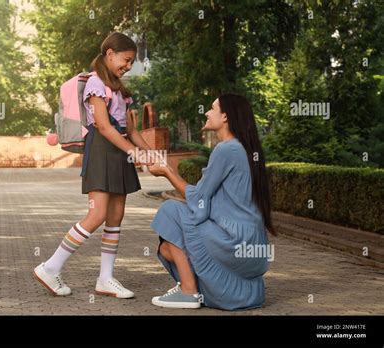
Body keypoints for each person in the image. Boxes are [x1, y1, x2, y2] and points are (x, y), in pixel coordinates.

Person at [33, 32, 153, 298]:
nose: (128, 66)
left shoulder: (120, 90)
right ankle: (50, 267)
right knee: (96, 215)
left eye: (132, 62)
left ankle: (105, 278)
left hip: (120, 153)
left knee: (115, 216)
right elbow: (103, 126)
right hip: (101, 151)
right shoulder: (96, 84)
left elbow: (130, 129)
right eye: (126, 59)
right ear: (110, 54)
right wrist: (134, 152)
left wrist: (149, 152)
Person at [147, 93, 276, 310]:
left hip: (235, 241)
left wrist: (167, 171)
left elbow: (198, 200)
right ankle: (213, 293)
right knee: (167, 249)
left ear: (225, 117)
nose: (206, 112)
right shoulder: (245, 148)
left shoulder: (226, 149)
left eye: (212, 108)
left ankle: (189, 292)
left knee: (170, 210)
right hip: (254, 246)